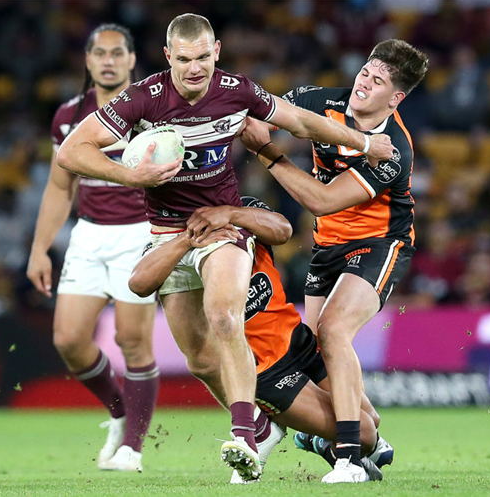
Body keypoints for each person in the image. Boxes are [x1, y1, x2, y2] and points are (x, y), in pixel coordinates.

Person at [57, 13, 394, 482]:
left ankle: (242, 438)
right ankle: (262, 427)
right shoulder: (144, 99)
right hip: (168, 235)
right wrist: (131, 175)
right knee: (198, 359)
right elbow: (71, 152)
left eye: (203, 58)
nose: (195, 69)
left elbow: (298, 122)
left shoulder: (236, 91)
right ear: (168, 57)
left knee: (222, 315)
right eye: (184, 60)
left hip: (221, 227)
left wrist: (363, 142)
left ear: (216, 52)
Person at [240, 39, 429, 483]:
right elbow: (260, 117)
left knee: (335, 329)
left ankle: (347, 456)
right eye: (365, 71)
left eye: (378, 81)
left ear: (395, 98)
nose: (364, 82)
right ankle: (365, 438)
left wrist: (267, 154)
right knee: (316, 347)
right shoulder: (319, 100)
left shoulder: (393, 149)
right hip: (328, 246)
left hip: (380, 243)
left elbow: (323, 201)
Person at [128, 197, 393, 483]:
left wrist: (232, 214)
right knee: (364, 433)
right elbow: (139, 282)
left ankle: (312, 437)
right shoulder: (168, 235)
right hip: (266, 371)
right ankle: (284, 429)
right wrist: (187, 240)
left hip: (297, 340)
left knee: (373, 421)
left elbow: (282, 230)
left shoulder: (242, 208)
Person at [26, 24, 158, 473]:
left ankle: (133, 451)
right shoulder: (68, 116)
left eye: (117, 53)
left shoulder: (152, 112)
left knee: (132, 340)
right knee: (68, 340)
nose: (108, 60)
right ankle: (121, 413)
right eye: (99, 53)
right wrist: (39, 249)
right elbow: (59, 188)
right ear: (87, 60)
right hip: (88, 233)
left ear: (132, 59)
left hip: (140, 231)